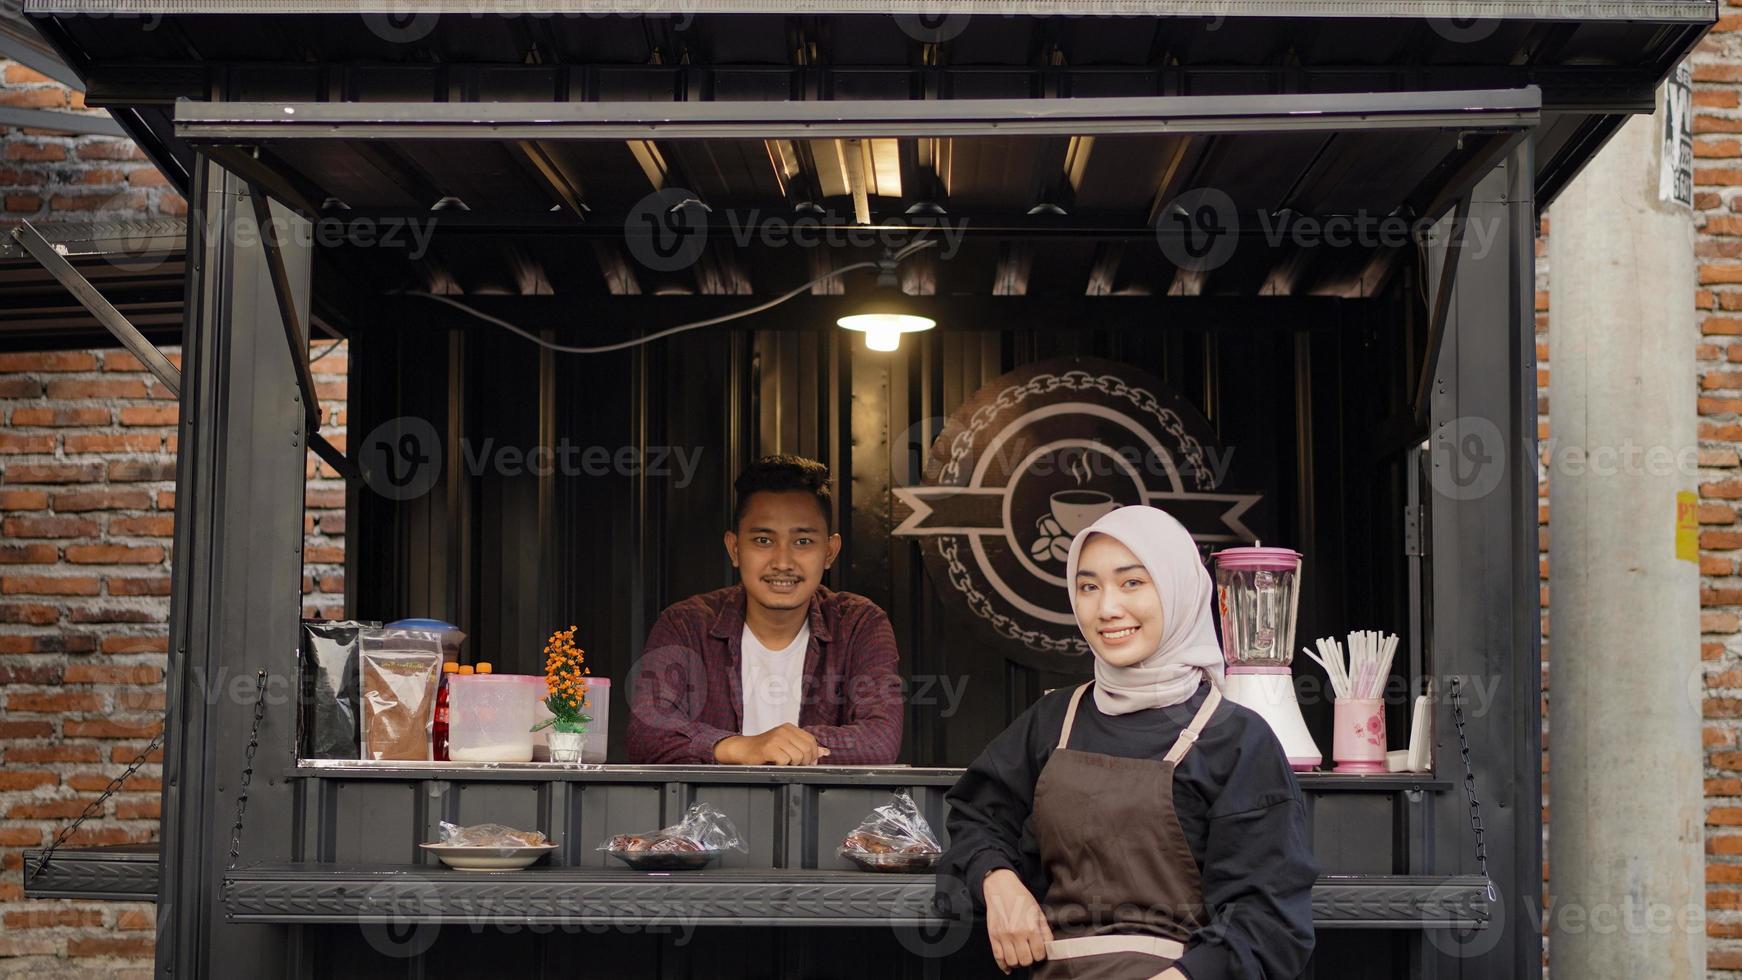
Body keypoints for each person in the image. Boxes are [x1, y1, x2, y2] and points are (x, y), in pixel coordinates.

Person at [935, 506, 1316, 979]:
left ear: (1179, 589)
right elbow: (977, 816)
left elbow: (1267, 921)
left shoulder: (1236, 740)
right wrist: (997, 880)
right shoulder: (1054, 721)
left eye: (1132, 582)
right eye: (1088, 586)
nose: (1107, 608)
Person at [626, 454, 904, 765]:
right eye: (763, 540)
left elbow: (881, 738)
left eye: (802, 541)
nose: (782, 562)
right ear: (735, 549)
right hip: (709, 813)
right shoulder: (686, 624)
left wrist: (793, 745)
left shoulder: (859, 624)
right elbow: (645, 733)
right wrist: (742, 748)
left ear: (829, 551)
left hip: (820, 815)